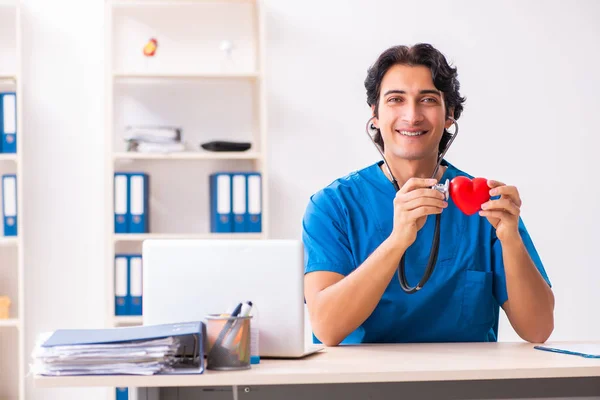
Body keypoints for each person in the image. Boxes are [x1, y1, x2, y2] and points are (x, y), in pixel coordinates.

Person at [301, 43, 554, 346]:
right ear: (375, 116)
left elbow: (538, 330)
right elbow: (327, 328)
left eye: (428, 100)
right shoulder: (332, 207)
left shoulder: (486, 205)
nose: (412, 115)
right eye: (396, 99)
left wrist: (510, 239)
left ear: (449, 115)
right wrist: (397, 241)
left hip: (466, 387)